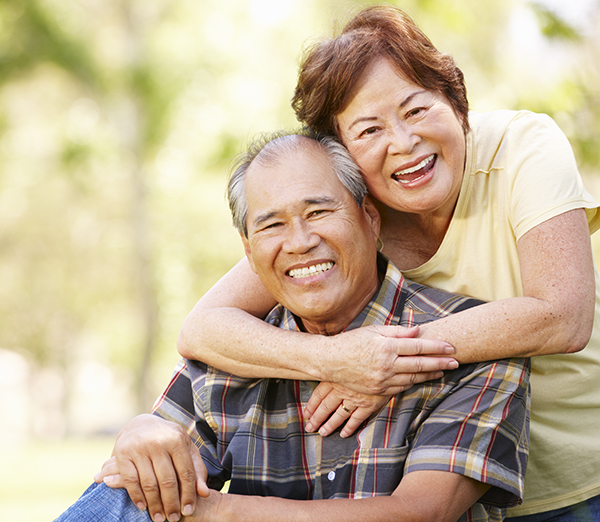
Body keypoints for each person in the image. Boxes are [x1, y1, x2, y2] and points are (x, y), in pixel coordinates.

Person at [175, 5, 600, 522]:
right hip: (449, 473)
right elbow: (204, 328)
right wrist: (334, 360)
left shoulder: (523, 149)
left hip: (580, 477)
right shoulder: (352, 218)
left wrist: (380, 363)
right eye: (369, 130)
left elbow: (564, 314)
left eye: (417, 110)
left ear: (454, 99)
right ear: (343, 155)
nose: (403, 143)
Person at [55, 132, 530, 522]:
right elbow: (156, 473)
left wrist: (221, 511)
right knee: (135, 488)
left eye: (319, 212)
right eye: (272, 225)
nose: (300, 242)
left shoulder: (471, 342)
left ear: (369, 219)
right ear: (248, 250)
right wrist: (143, 436)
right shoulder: (237, 349)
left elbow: (422, 514)